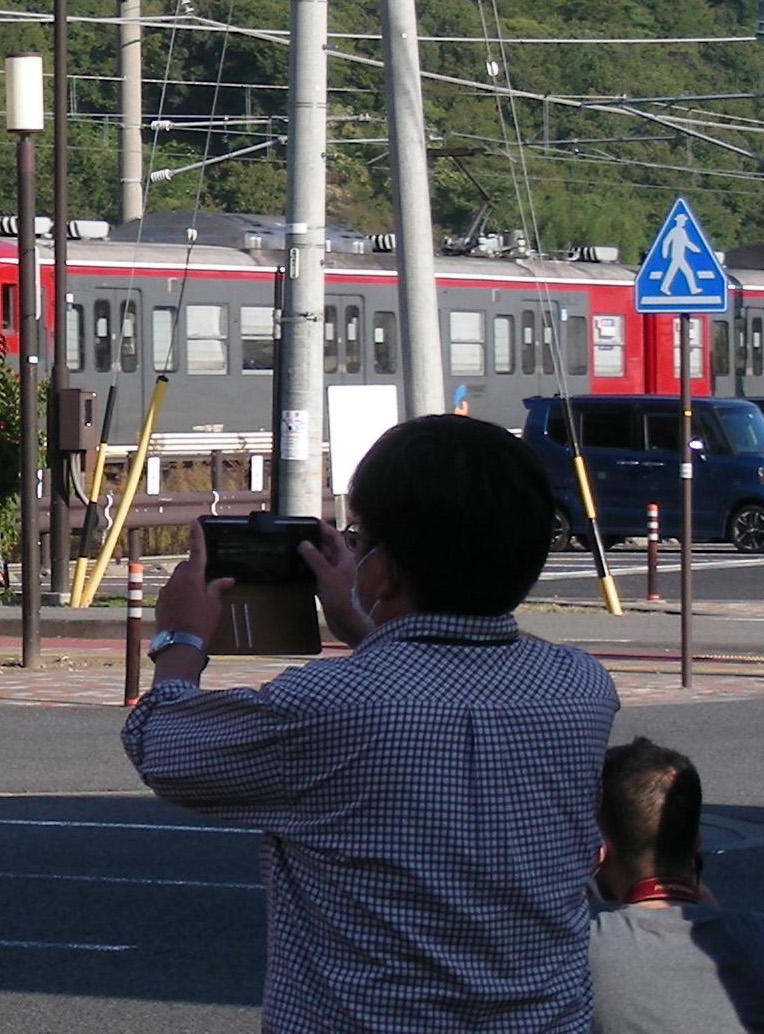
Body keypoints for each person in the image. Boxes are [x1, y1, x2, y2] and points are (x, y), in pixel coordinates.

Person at [123, 413, 620, 1033]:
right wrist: (368, 625)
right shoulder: (580, 687)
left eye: (362, 540)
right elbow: (438, 684)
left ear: (381, 570)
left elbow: (163, 746)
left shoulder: (325, 704)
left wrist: (180, 635)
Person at [588, 738, 764, 1032]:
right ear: (696, 842)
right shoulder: (755, 937)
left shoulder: (579, 952)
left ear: (600, 853)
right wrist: (716, 915)